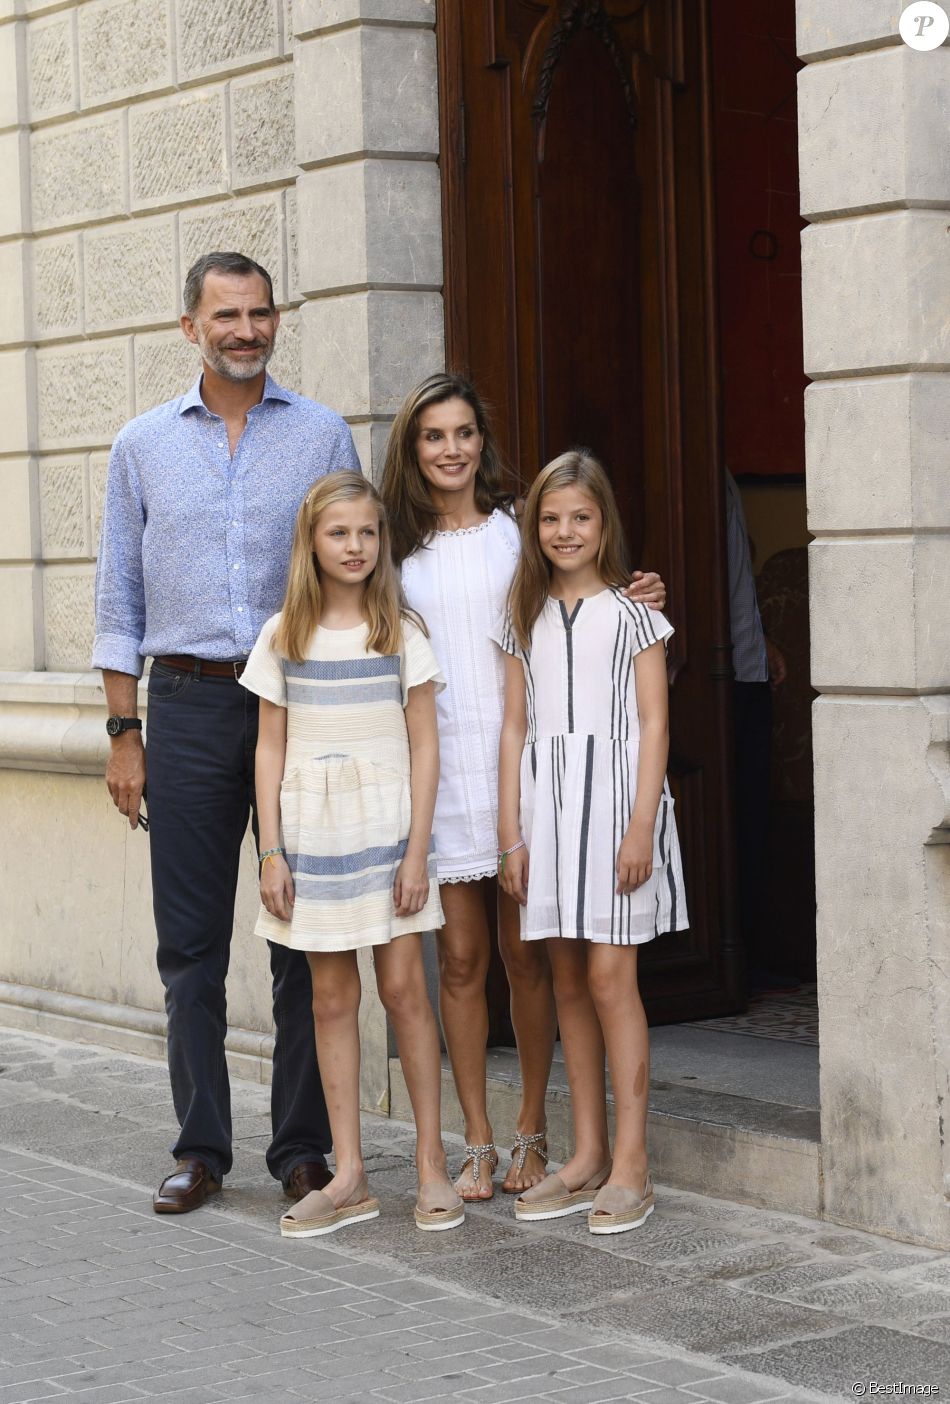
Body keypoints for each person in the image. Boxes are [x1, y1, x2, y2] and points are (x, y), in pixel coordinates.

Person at [93, 251, 361, 1213]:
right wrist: (126, 731)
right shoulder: (142, 446)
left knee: (303, 935)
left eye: (260, 313)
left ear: (276, 320)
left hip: (302, 702)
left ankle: (303, 1149)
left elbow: (364, 569)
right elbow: (118, 598)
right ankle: (202, 1147)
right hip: (193, 706)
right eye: (226, 315)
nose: (245, 330)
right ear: (190, 328)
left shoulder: (325, 435)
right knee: (192, 945)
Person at [380, 374, 667, 1201]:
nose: (450, 449)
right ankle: (475, 1138)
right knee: (462, 959)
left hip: (529, 774)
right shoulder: (396, 549)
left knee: (529, 956)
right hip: (441, 763)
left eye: (464, 432)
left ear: (483, 442)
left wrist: (642, 596)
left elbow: (593, 614)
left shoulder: (519, 533)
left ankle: (535, 1131)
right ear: (413, 447)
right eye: (433, 436)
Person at [241, 472, 463, 1237]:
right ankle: (351, 1173)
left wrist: (416, 851)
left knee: (404, 989)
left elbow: (426, 743)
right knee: (330, 998)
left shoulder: (401, 630)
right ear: (312, 541)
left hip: (388, 835)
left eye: (368, 533)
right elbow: (268, 749)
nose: (356, 546)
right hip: (313, 840)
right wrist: (270, 850)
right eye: (340, 533)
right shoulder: (284, 635)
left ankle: (432, 1162)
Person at [496, 449, 687, 1234]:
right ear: (532, 527)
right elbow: (514, 726)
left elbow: (653, 722)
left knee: (612, 981)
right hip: (549, 815)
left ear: (603, 522)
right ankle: (586, 1155)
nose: (565, 531)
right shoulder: (522, 618)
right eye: (550, 518)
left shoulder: (636, 614)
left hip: (615, 813)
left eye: (580, 517)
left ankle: (633, 1165)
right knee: (567, 980)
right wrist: (512, 834)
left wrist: (642, 823)